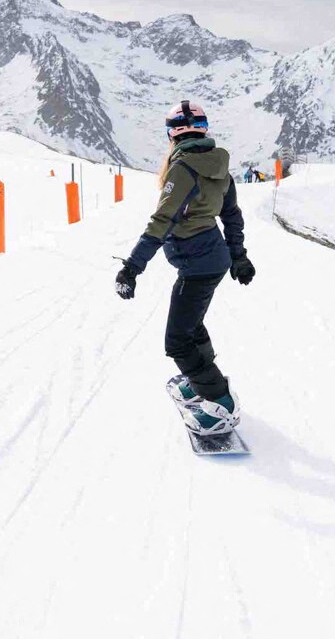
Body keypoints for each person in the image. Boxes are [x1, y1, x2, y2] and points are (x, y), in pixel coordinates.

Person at [114, 101, 256, 435]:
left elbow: (162, 221)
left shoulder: (182, 169)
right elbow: (231, 216)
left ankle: (222, 402)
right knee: (191, 326)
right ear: (203, 130)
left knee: (177, 340)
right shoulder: (221, 167)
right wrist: (238, 257)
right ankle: (200, 380)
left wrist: (132, 269)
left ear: (171, 135)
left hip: (198, 265)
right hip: (212, 259)